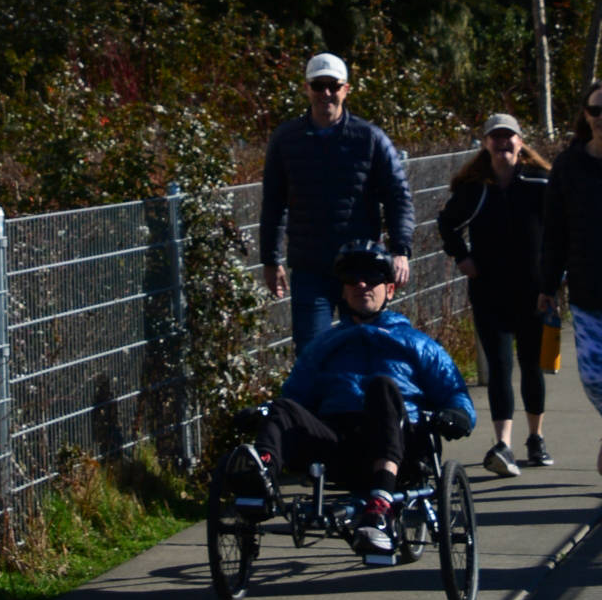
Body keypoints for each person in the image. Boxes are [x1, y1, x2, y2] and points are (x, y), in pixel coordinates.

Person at [257, 244, 475, 558]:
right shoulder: (325, 345)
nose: (361, 285)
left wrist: (458, 415)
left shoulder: (416, 343)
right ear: (343, 292)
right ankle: (259, 481)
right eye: (352, 280)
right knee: (280, 409)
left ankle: (381, 504)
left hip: (401, 441)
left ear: (388, 290)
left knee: (382, 387)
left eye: (371, 279)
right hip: (339, 443)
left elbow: (455, 391)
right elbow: (294, 396)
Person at [261, 53, 415, 346]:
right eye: (318, 86)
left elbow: (398, 196)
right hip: (310, 267)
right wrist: (270, 259)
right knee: (312, 353)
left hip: (361, 269)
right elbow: (273, 202)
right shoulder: (286, 139)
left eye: (333, 85)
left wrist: (400, 249)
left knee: (364, 348)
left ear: (346, 89)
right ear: (307, 88)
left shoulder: (370, 138)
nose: (326, 94)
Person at [438, 113, 553, 474]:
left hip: (536, 293)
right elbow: (447, 223)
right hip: (489, 292)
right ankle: (502, 443)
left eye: (509, 138)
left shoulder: (540, 183)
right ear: (486, 144)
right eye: (495, 138)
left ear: (521, 142)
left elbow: (561, 229)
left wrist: (554, 280)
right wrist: (462, 257)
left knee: (535, 365)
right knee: (500, 367)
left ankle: (535, 438)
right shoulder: (474, 188)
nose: (502, 144)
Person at [538, 79, 602, 475]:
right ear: (585, 115)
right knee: (595, 379)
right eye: (595, 110)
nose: (601, 119)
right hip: (587, 290)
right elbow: (554, 231)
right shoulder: (569, 165)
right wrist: (547, 286)